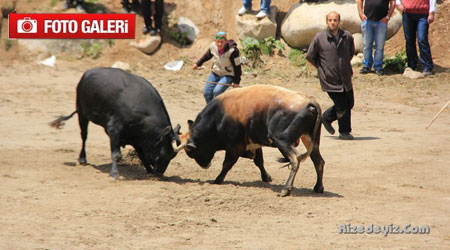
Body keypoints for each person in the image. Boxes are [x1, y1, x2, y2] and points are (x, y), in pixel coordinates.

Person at [306, 11, 356, 140]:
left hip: (345, 77)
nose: (332, 22)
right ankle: (345, 132)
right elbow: (310, 56)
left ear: (339, 22)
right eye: (330, 20)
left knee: (349, 103)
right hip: (330, 79)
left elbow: (350, 53)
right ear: (327, 22)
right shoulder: (319, 38)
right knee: (342, 106)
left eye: (335, 20)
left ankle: (326, 117)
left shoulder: (347, 36)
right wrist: (322, 68)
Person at [193, 31, 242, 104]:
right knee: (207, 93)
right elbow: (206, 56)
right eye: (217, 42)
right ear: (215, 41)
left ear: (226, 41)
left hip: (228, 74)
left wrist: (236, 82)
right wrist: (198, 64)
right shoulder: (213, 46)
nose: (219, 44)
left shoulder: (233, 51)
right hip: (215, 73)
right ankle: (211, 111)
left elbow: (237, 67)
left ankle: (223, 109)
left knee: (217, 92)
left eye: (222, 42)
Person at [396, 0, 436, 75]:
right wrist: (398, 4)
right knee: (409, 40)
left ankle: (427, 67)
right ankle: (412, 65)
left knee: (422, 39)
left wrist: (432, 12)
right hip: (407, 14)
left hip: (423, 14)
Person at [357, 0, 395, 76]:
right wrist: (361, 14)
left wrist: (388, 17)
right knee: (366, 45)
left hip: (381, 22)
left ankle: (378, 67)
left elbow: (393, 2)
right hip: (368, 21)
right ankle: (367, 66)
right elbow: (359, 1)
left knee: (379, 47)